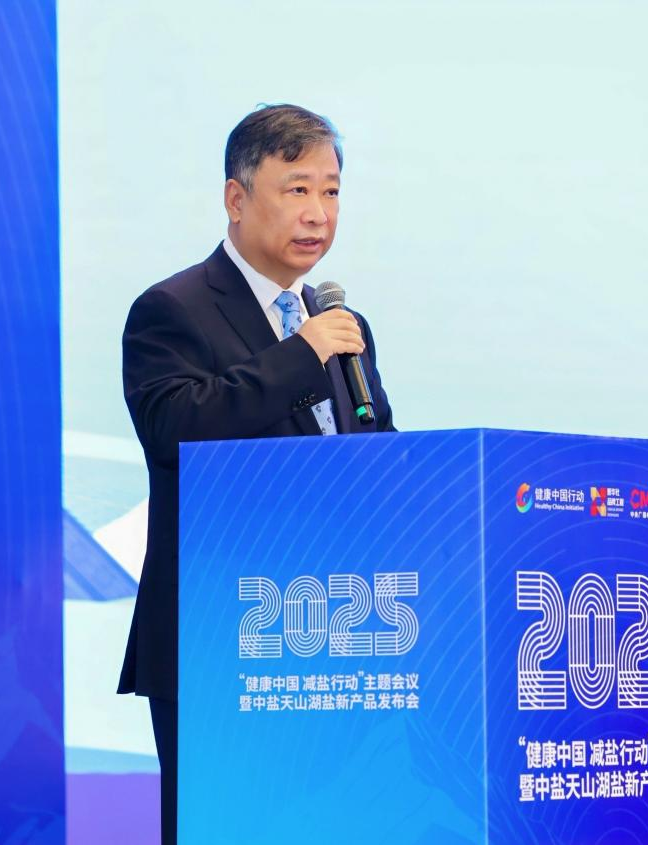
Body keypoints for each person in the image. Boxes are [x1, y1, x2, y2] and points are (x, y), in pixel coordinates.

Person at [116, 104, 396, 845]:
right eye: (297, 189)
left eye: (331, 192)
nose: (318, 213)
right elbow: (176, 430)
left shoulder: (343, 327)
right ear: (236, 199)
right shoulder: (172, 309)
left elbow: (377, 454)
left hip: (338, 637)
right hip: (222, 637)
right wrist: (301, 355)